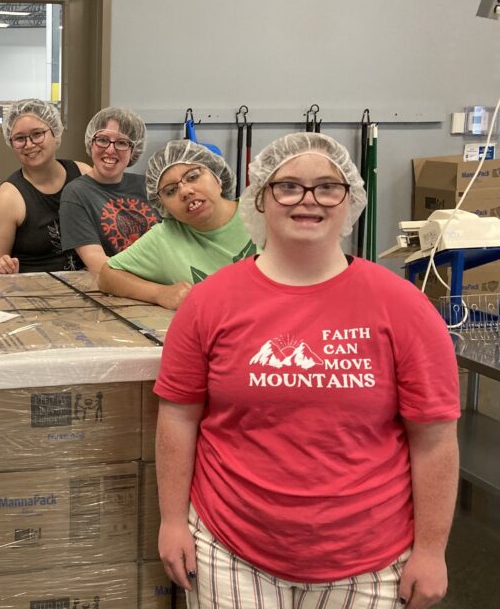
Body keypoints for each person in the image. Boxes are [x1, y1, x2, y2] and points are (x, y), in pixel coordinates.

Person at [155, 132, 460, 609]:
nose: (308, 200)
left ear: (350, 198)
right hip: (229, 550)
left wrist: (432, 550)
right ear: (261, 197)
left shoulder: (403, 306)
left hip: (371, 562)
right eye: (289, 186)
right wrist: (172, 521)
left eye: (327, 187)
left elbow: (435, 439)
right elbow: (178, 415)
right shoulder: (209, 301)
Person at [98, 140, 255, 309]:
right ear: (163, 206)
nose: (185, 191)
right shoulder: (165, 239)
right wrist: (159, 293)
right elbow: (107, 276)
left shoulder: (262, 214)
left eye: (193, 177)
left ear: (217, 177)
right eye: (170, 190)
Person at [0, 99, 90, 273]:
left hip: (90, 284)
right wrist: (0, 266)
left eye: (37, 134)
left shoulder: (83, 174)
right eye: (19, 138)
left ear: (55, 133)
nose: (29, 144)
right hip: (35, 291)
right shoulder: (7, 198)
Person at [59, 107, 159, 273]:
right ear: (91, 143)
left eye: (121, 142)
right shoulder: (77, 193)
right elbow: (99, 265)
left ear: (133, 150)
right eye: (103, 140)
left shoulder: (147, 186)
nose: (110, 150)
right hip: (120, 288)